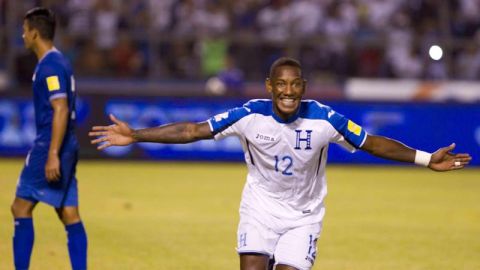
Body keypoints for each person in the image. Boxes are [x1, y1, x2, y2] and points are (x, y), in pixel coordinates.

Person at [89, 57, 471, 270]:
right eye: (281, 85)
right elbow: (192, 130)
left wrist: (425, 158)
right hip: (259, 211)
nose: (289, 92)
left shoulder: (325, 119)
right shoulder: (248, 114)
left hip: (303, 217)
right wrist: (136, 134)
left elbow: (372, 143)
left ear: (303, 86)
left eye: (295, 85)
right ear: (269, 86)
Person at [11, 7, 87, 270]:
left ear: (34, 33)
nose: (22, 35)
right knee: (68, 212)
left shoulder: (51, 67)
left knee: (20, 207)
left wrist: (52, 153)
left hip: (50, 145)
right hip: (67, 145)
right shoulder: (58, 61)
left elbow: (61, 108)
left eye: (24, 30)